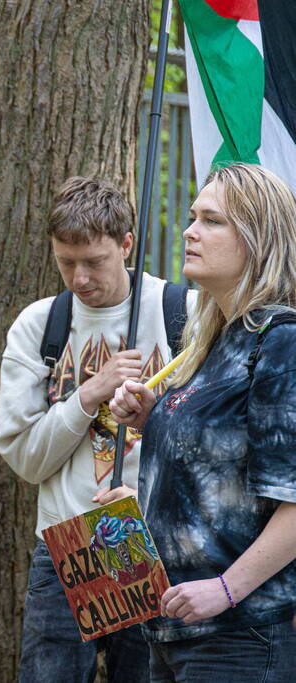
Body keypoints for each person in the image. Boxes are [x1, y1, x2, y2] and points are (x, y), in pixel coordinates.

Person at [0, 176, 192, 682]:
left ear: (127, 245)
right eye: (65, 263)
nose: (79, 278)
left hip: (155, 541)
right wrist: (87, 395)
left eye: (94, 262)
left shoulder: (184, 316)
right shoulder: (40, 326)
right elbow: (25, 458)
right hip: (68, 545)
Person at [109, 163, 296, 681]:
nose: (190, 231)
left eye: (212, 221)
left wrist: (227, 588)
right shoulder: (212, 342)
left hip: (241, 633)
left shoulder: (279, 341)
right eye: (193, 217)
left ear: (258, 240)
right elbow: (218, 462)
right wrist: (155, 422)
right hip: (173, 626)